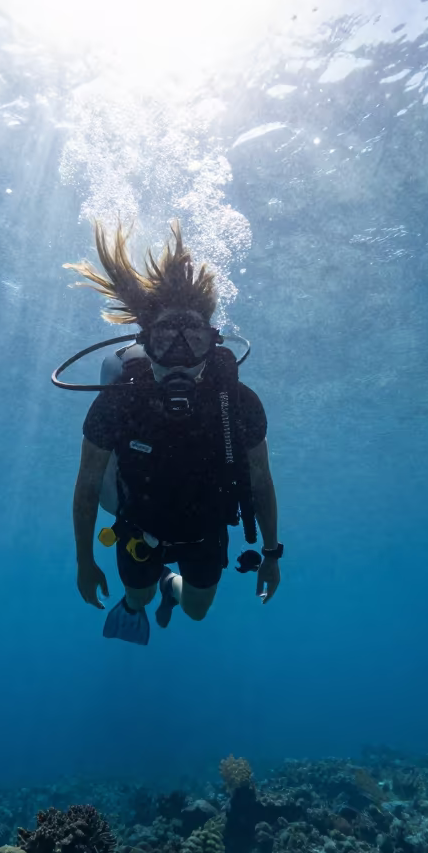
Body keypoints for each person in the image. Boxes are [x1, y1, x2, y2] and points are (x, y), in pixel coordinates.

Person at [68, 220, 282, 645]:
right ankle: (145, 595)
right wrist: (84, 562)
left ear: (213, 343)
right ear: (146, 342)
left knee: (197, 613)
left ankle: (171, 585)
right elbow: (88, 485)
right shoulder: (116, 400)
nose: (180, 356)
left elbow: (261, 482)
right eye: (167, 338)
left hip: (206, 531)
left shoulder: (239, 402)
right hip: (137, 528)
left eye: (194, 339)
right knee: (137, 596)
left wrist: (272, 555)